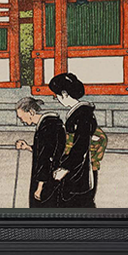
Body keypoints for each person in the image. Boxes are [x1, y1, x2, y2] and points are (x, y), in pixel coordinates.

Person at [49, 72, 98, 207]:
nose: (57, 99)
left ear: (64, 94)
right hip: (74, 165)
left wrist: (65, 168)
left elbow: (80, 146)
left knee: (77, 204)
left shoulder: (83, 114)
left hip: (78, 168)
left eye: (57, 96)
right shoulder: (78, 112)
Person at [14, 96, 66, 208]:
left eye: (22, 117)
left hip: (47, 179)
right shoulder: (50, 124)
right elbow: (45, 149)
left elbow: (45, 158)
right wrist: (28, 147)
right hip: (52, 175)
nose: (22, 121)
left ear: (31, 112)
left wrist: (39, 187)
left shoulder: (47, 127)